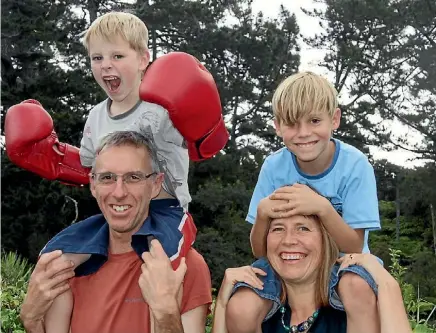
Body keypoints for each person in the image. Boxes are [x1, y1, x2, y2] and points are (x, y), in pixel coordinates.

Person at [5, 11, 227, 333]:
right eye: (97, 57)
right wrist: (43, 154)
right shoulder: (96, 117)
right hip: (114, 214)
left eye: (117, 55)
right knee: (55, 261)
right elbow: (88, 168)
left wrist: (202, 112)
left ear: (143, 60)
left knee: (162, 271)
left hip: (165, 211)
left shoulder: (161, 110)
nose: (106, 64)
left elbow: (206, 145)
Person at [227, 72, 382, 333]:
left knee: (359, 288)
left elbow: (354, 245)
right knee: (241, 306)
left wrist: (322, 207)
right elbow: (259, 251)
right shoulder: (274, 167)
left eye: (314, 121)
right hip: (288, 259)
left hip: (342, 263)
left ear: (334, 120)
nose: (303, 133)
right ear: (277, 126)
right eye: (291, 124)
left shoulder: (355, 165)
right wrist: (264, 215)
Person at [20, 130, 213, 333]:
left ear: (155, 185)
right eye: (107, 177)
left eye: (133, 177)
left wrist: (166, 314)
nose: (119, 192)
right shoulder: (67, 267)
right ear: (93, 185)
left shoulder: (184, 267)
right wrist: (31, 320)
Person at [212, 211, 412, 333]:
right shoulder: (260, 316)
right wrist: (222, 303)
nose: (288, 240)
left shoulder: (353, 310)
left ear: (326, 241)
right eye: (278, 229)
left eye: (303, 229)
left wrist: (385, 283)